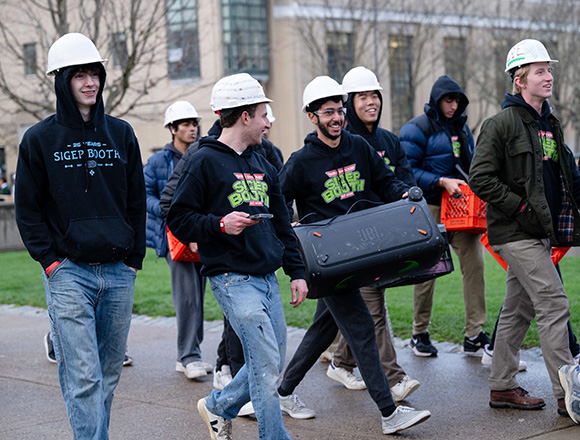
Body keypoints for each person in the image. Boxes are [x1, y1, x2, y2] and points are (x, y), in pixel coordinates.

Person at [277, 75, 431, 435]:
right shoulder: (300, 162)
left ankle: (283, 392)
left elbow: (385, 183)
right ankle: (390, 413)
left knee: (323, 329)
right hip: (328, 262)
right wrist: (294, 240)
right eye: (328, 112)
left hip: (363, 252)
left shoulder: (360, 146)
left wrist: (404, 192)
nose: (337, 118)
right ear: (312, 117)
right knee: (362, 328)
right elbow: (278, 202)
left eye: (339, 110)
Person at [14, 33, 146, 439]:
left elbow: (136, 200)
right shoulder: (39, 139)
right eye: (80, 76)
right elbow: (27, 209)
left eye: (95, 74)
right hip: (69, 272)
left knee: (107, 374)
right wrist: (50, 262)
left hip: (118, 270)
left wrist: (133, 258)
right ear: (62, 81)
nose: (90, 83)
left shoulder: (121, 134)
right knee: (84, 376)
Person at [166, 72, 308, 440]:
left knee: (271, 360)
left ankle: (217, 407)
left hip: (266, 278)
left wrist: (297, 272)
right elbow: (178, 216)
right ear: (244, 116)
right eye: (263, 114)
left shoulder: (264, 162)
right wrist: (219, 225)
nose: (269, 122)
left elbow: (282, 223)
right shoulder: (204, 161)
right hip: (231, 278)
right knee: (263, 367)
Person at [469, 38, 580, 415]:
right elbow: (479, 178)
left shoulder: (549, 123)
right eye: (539, 71)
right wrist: (519, 206)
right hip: (514, 232)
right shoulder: (500, 124)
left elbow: (567, 174)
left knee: (519, 311)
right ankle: (569, 396)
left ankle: (501, 388)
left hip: (539, 232)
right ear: (519, 79)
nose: (548, 76)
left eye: (549, 69)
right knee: (553, 303)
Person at [319, 66, 418, 400]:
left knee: (346, 313)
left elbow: (399, 179)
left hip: (384, 233)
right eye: (363, 96)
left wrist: (406, 196)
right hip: (353, 238)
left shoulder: (389, 141)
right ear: (349, 104)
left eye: (375, 95)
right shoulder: (344, 145)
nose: (372, 102)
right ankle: (394, 377)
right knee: (372, 307)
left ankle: (339, 360)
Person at [400, 75, 488, 357]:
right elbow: (406, 171)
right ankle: (419, 333)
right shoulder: (416, 128)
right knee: (427, 271)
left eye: (457, 101)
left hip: (462, 208)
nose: (453, 106)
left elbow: (472, 165)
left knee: (475, 265)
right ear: (436, 100)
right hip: (430, 208)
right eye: (449, 100)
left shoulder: (463, 129)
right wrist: (440, 181)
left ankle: (474, 334)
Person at [143, 100, 213, 380]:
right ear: (172, 129)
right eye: (185, 124)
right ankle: (189, 356)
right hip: (174, 239)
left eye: (194, 124)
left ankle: (188, 354)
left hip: (201, 235)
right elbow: (143, 195)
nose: (192, 129)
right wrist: (165, 212)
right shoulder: (158, 161)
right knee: (187, 299)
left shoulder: (203, 155)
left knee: (198, 296)